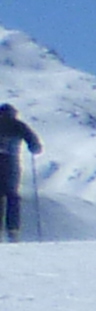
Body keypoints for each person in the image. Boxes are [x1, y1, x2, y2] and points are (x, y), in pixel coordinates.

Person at [0, 103, 40, 241]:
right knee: (12, 195)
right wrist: (34, 148)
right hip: (11, 162)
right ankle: (13, 230)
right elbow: (34, 142)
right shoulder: (18, 125)